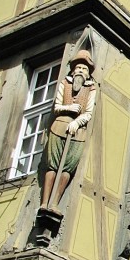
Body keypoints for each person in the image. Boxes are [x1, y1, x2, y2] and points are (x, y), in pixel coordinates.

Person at [40, 51, 96, 212]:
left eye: (84, 68)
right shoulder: (65, 83)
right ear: (73, 70)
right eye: (78, 67)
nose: (80, 70)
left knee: (68, 167)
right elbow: (57, 106)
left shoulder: (91, 88)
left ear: (88, 72)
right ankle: (45, 202)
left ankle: (55, 203)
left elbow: (88, 112)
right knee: (53, 164)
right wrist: (69, 108)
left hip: (78, 132)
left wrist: (77, 122)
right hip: (58, 126)